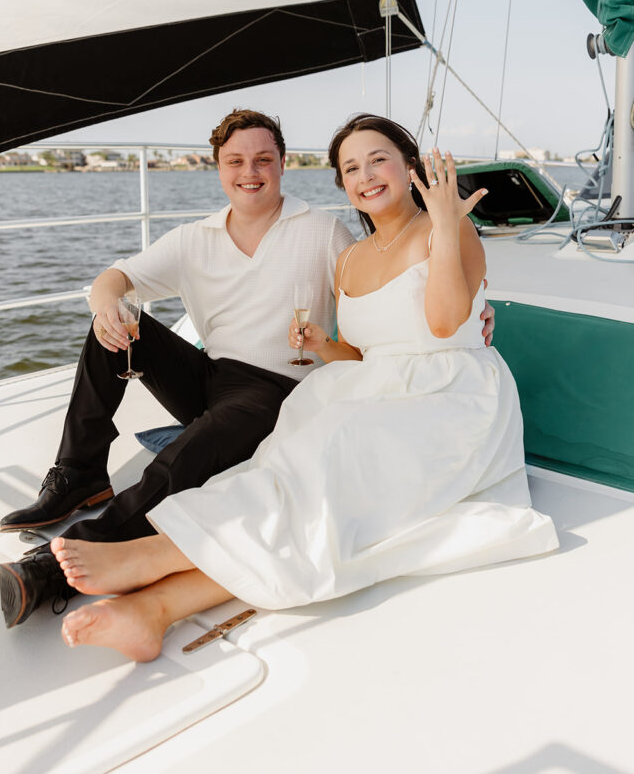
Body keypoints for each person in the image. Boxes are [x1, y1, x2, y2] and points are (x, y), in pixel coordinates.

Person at [47, 113, 557, 662]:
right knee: (290, 480)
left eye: (378, 159)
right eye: (351, 167)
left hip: (451, 399)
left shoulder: (440, 227)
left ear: (409, 167)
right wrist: (322, 345)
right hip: (372, 386)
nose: (366, 175)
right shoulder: (352, 258)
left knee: (324, 458)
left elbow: (442, 323)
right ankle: (141, 591)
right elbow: (366, 352)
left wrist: (446, 227)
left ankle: (153, 564)